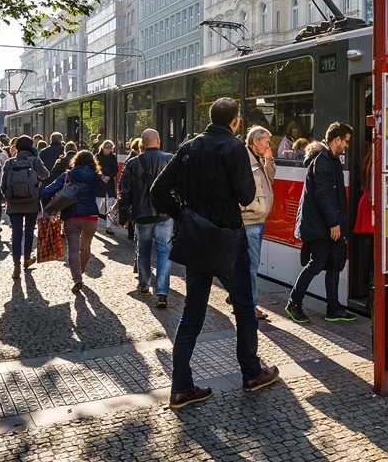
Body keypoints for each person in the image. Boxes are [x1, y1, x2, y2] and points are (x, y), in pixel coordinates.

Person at [150, 97, 279, 407]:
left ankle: (181, 386)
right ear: (235, 121)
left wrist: (184, 216)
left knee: (193, 310)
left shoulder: (189, 146)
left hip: (197, 238)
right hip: (230, 238)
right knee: (244, 304)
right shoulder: (234, 148)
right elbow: (247, 194)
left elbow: (158, 191)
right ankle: (251, 373)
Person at [285, 122, 357, 324]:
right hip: (321, 226)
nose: (347, 146)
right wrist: (334, 224)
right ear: (337, 140)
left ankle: (333, 308)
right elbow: (324, 195)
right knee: (315, 264)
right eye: (346, 142)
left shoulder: (330, 159)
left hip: (328, 224)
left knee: (334, 263)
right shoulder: (324, 161)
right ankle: (294, 303)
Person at [118, 129, 173, 307]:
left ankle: (144, 285)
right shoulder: (169, 159)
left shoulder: (133, 163)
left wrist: (123, 213)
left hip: (142, 214)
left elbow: (124, 190)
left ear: (142, 142)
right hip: (165, 214)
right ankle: (162, 292)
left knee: (143, 250)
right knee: (165, 252)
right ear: (158, 140)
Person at [42, 150, 110, 294]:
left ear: (75, 161)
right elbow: (104, 188)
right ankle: (82, 271)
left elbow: (47, 191)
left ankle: (77, 279)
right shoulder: (95, 176)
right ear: (93, 162)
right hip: (91, 216)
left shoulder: (68, 175)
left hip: (72, 216)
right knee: (85, 247)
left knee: (73, 248)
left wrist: (50, 210)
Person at [1, 137, 50, 279]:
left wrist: (8, 197)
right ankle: (27, 259)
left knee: (16, 234)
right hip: (31, 203)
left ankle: (16, 265)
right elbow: (46, 174)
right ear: (31, 147)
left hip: (14, 204)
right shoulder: (34, 160)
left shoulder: (10, 162)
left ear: (17, 147)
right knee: (29, 233)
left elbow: (2, 185)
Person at [241, 126, 275, 321]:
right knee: (252, 265)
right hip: (251, 220)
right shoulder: (246, 159)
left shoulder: (259, 159)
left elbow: (269, 179)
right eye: (266, 142)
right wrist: (252, 208)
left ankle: (238, 296)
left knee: (249, 264)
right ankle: (251, 305)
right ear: (255, 142)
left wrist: (269, 159)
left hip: (258, 219)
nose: (268, 145)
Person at [95, 139, 119, 230]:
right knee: (98, 203)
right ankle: (95, 224)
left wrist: (109, 176)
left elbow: (115, 169)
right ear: (103, 148)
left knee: (110, 203)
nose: (109, 150)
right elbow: (95, 169)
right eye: (108, 148)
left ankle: (109, 226)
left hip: (110, 182)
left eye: (111, 148)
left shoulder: (113, 156)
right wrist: (102, 176)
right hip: (100, 182)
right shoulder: (97, 156)